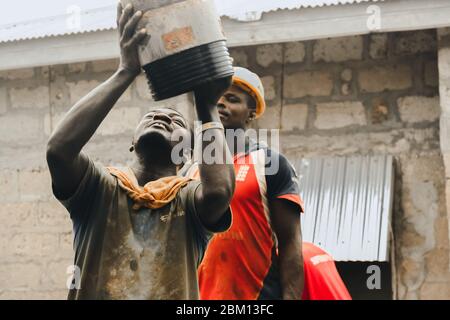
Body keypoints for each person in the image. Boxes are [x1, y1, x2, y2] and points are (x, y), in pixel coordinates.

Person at [46, 3, 235, 300]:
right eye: (151, 116)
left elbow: (219, 192)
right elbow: (58, 150)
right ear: (133, 142)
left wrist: (207, 106)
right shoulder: (98, 188)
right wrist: (126, 70)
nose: (162, 117)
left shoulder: (188, 200)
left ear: (186, 153)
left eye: (176, 122)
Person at [185, 67, 305, 300]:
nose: (221, 104)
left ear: (250, 113)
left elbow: (291, 243)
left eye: (232, 99)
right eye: (217, 98)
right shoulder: (192, 167)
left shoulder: (270, 163)